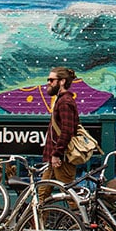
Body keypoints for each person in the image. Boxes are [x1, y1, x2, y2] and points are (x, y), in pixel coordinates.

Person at [39, 66, 80, 200]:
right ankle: (40, 221)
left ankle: (81, 221)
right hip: (56, 158)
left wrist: (57, 154)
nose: (48, 83)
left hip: (62, 159)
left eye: (51, 80)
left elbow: (67, 131)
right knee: (42, 194)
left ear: (62, 82)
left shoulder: (65, 102)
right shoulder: (61, 100)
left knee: (71, 197)